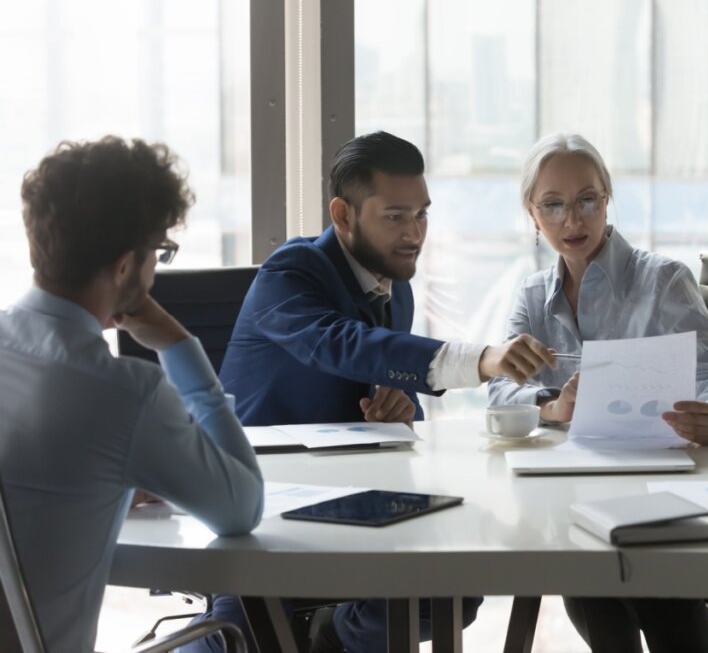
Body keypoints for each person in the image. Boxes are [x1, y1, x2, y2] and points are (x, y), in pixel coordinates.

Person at [190, 131, 555, 653]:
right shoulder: (290, 274)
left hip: (352, 503)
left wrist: (401, 411)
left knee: (454, 590)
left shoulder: (395, 287)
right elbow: (345, 345)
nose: (414, 234)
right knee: (241, 640)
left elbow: (386, 376)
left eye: (422, 215)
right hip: (263, 511)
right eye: (395, 217)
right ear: (343, 215)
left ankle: (330, 637)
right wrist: (480, 358)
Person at [0, 136, 264, 653]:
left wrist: (110, 480)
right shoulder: (124, 393)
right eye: (159, 252)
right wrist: (180, 346)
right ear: (126, 267)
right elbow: (241, 508)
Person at [488, 133, 708, 653]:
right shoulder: (534, 295)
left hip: (655, 488)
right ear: (532, 214)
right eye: (553, 205)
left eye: (587, 201)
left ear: (607, 199)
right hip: (570, 491)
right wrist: (553, 406)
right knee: (588, 571)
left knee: (650, 591)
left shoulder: (664, 280)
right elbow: (497, 394)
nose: (572, 221)